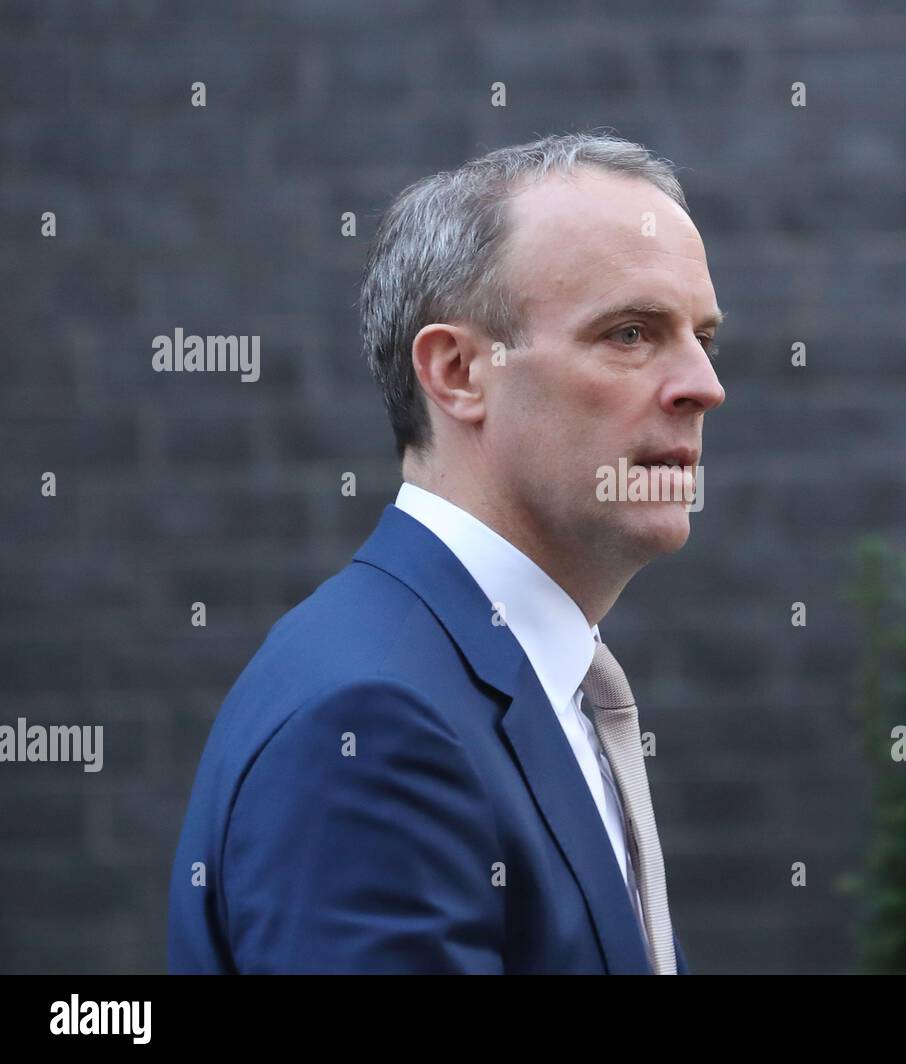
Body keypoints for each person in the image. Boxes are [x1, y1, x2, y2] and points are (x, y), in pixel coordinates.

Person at [167, 132, 727, 974]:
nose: (702, 386)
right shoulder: (369, 723)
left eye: (704, 338)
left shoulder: (507, 679)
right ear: (459, 371)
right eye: (630, 333)